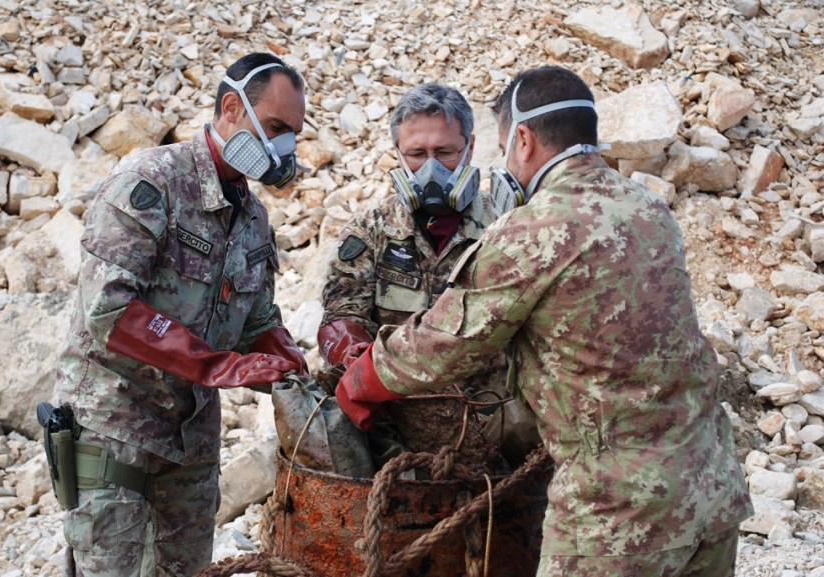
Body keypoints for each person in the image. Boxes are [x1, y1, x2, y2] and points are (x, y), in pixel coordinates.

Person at [335, 66, 753, 576]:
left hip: (618, 512)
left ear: (524, 139)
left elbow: (445, 343)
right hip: (709, 486)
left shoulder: (534, 227)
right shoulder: (648, 207)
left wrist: (360, 380)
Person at [52, 52, 309, 576]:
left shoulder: (254, 218)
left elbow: (259, 322)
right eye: (277, 128)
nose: (284, 148)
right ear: (232, 108)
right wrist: (216, 365)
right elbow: (108, 307)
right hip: (114, 432)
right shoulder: (151, 182)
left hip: (190, 444)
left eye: (293, 135)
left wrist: (294, 366)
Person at [317, 83, 505, 467]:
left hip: (492, 433)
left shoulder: (506, 229)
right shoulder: (371, 230)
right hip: (394, 439)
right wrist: (349, 349)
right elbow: (340, 313)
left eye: (445, 152)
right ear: (398, 156)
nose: (431, 167)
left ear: (469, 147)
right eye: (417, 154)